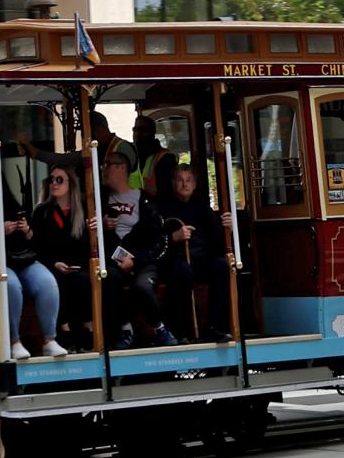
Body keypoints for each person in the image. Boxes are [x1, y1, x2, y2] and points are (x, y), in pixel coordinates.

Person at [99, 149, 175, 347]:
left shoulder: (145, 199)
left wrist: (135, 261)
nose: (104, 170)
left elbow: (158, 239)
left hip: (142, 260)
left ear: (122, 167)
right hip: (112, 260)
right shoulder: (99, 199)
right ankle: (126, 330)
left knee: (142, 286)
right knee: (109, 279)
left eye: (108, 165)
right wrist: (102, 225)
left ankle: (160, 329)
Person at [156, 162, 234, 341]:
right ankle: (181, 332)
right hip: (173, 259)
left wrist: (226, 228)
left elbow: (216, 242)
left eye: (189, 180)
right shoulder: (162, 207)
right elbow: (154, 239)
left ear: (195, 184)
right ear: (173, 183)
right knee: (182, 272)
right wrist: (174, 236)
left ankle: (216, 327)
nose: (185, 184)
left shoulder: (201, 207)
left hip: (199, 258)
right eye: (180, 180)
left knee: (222, 266)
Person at [1, 181, 67, 360]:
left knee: (47, 282)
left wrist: (25, 229)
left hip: (23, 257)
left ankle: (49, 340)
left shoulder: (12, 204)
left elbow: (34, 241)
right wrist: (0, 230)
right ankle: (14, 341)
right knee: (11, 285)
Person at [32, 162, 93, 350]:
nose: (55, 184)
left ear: (70, 184)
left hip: (77, 264)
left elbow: (86, 246)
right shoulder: (41, 212)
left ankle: (87, 328)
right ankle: (64, 330)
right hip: (52, 265)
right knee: (57, 281)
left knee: (82, 280)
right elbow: (37, 248)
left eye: (60, 180)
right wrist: (54, 263)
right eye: (52, 180)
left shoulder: (84, 210)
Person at [132, 114, 179, 199]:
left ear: (152, 132)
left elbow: (168, 194)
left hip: (157, 209)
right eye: (135, 129)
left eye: (142, 130)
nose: (137, 134)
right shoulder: (133, 156)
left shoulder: (165, 158)